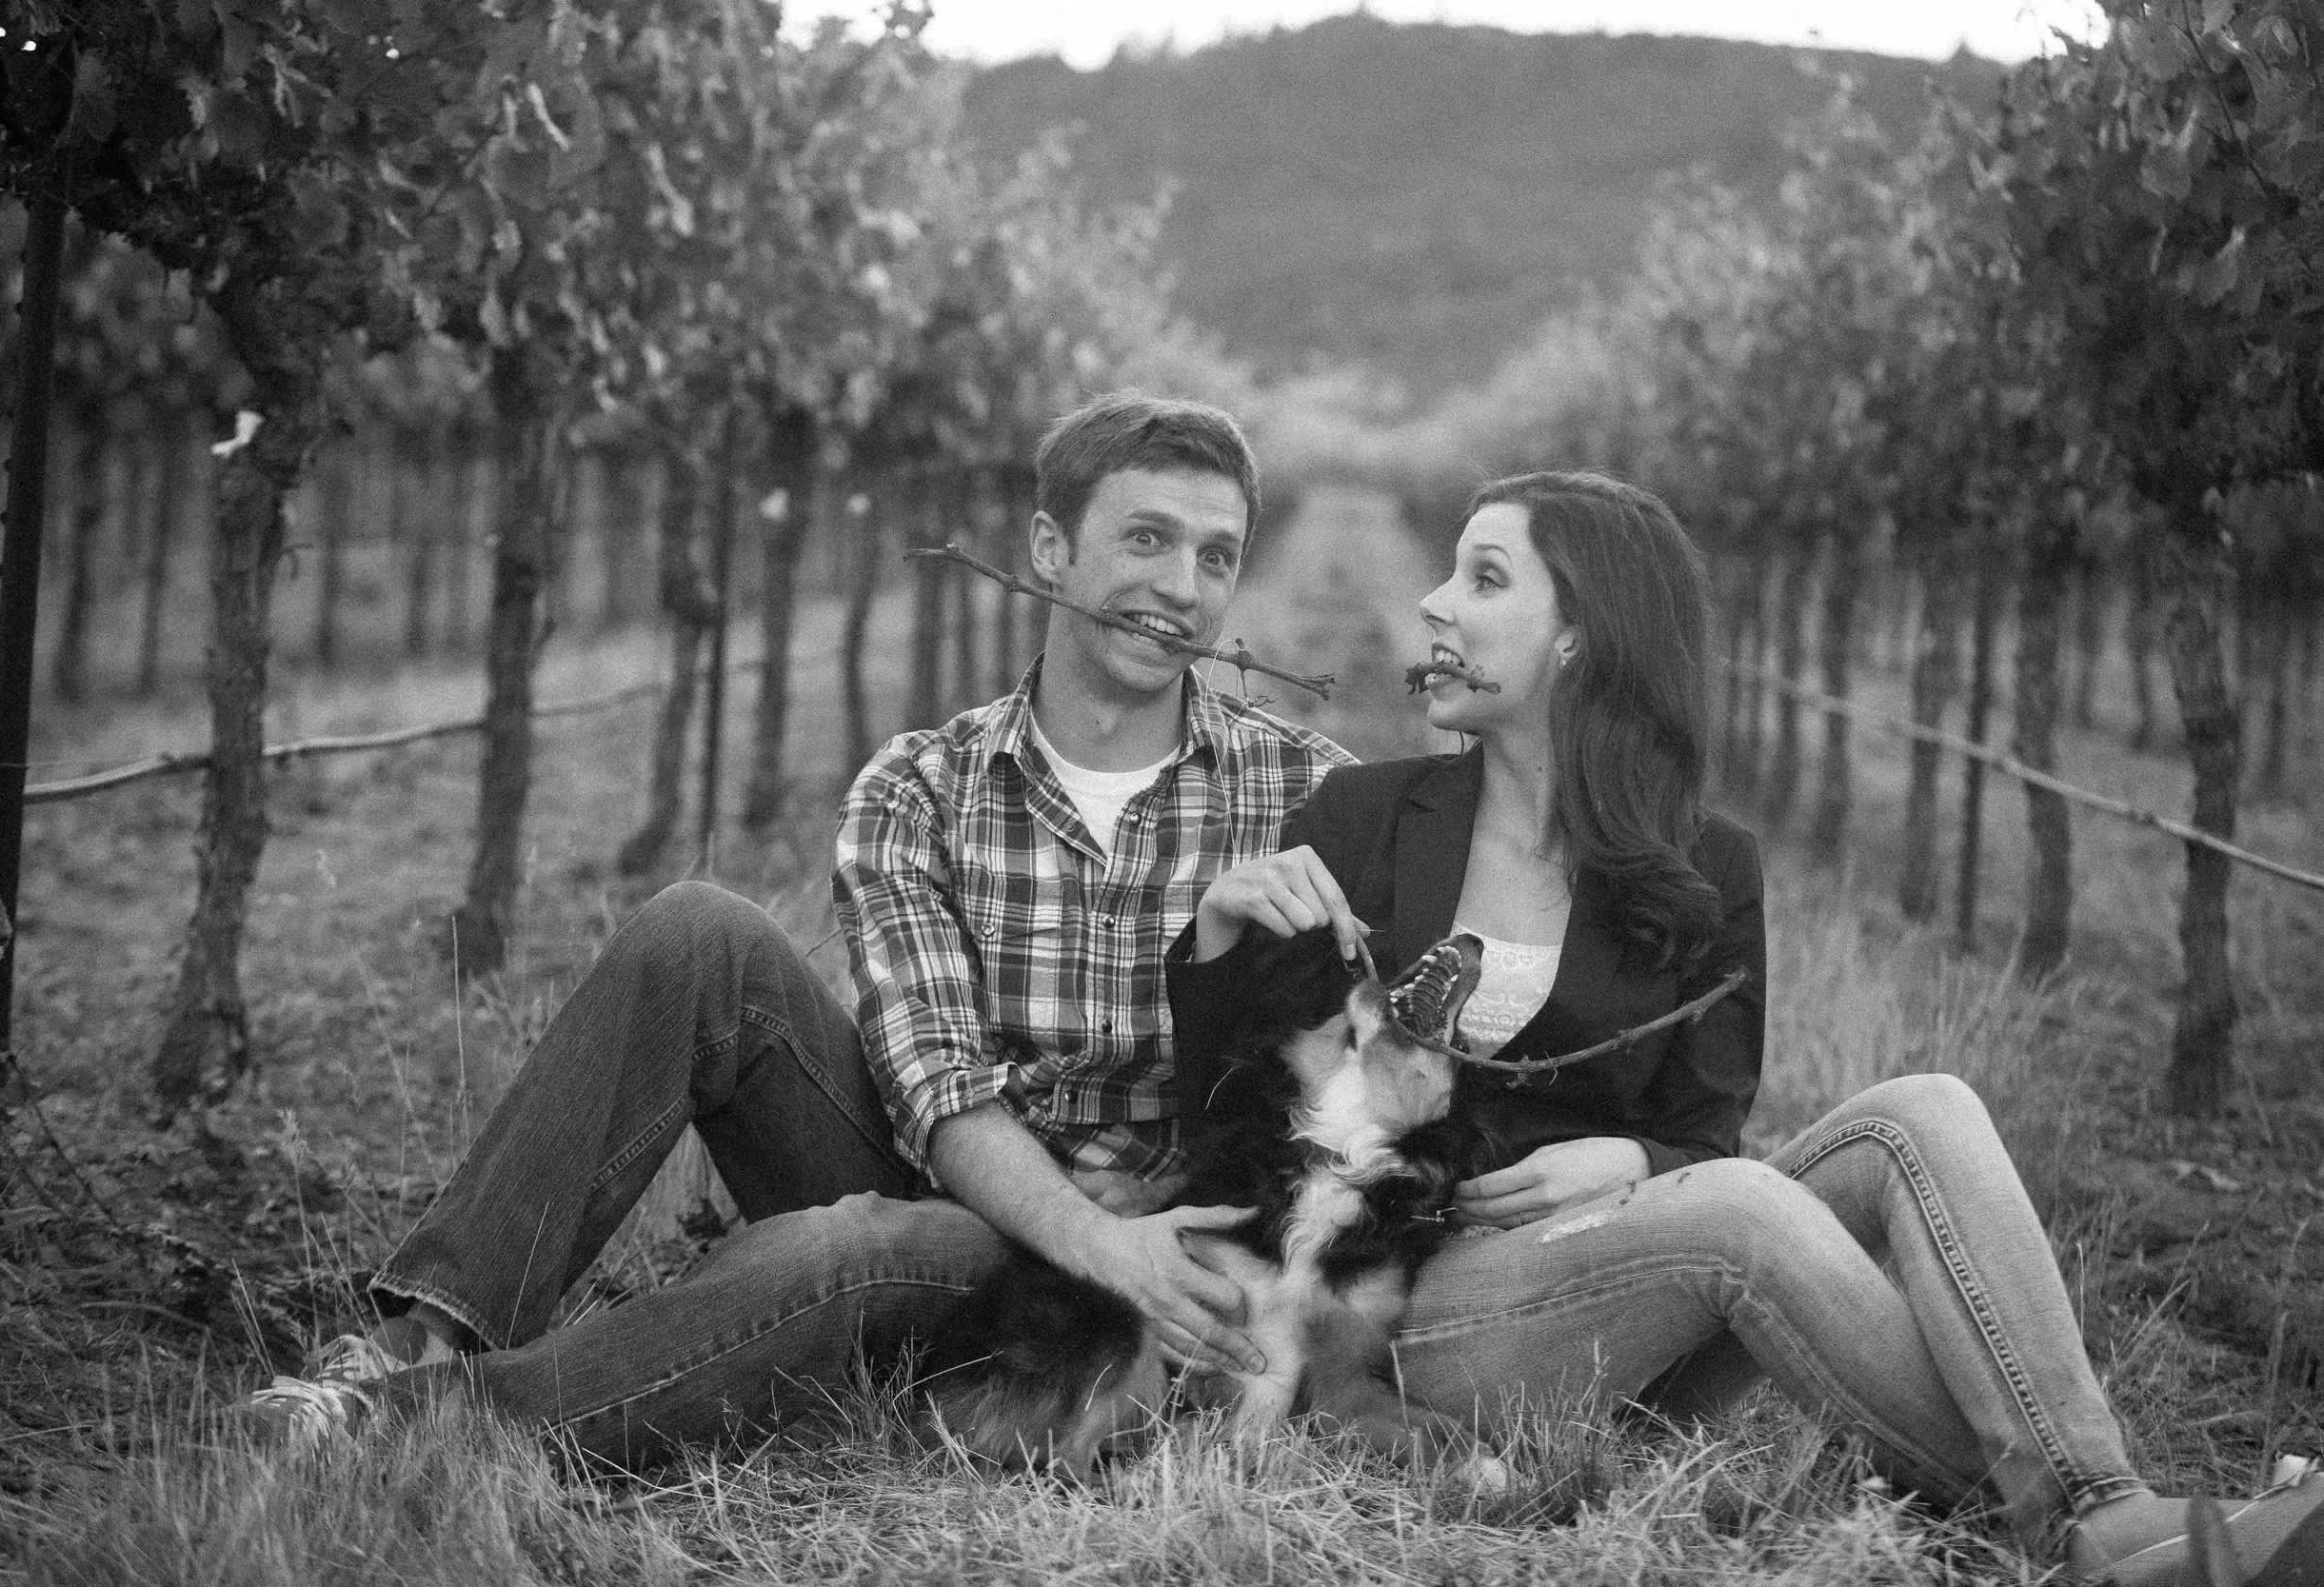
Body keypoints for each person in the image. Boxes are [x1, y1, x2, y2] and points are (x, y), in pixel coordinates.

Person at [1165, 470, 2322, 1587]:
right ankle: (2112, 1526)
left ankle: (2102, 1506)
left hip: (1625, 1306)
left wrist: (1635, 1158)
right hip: (1404, 1304)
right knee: (1739, 1207)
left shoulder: (1706, 869)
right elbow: (1228, 1119)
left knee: (1923, 1109)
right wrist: (1217, 940)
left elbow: (1702, 1132)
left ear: (1580, 636)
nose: (1431, 603)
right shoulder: (1361, 818)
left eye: (1482, 577)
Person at [248, 391, 1351, 1463]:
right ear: (1048, 547)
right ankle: (412, 1341)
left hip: (1107, 1269)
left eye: (1215, 555)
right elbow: (937, 1090)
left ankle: (413, 1427)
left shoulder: (1305, 791)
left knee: (845, 1244)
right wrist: (1099, 1236)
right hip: (970, 1189)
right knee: (697, 935)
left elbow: (1408, 1036)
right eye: (1147, 537)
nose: (1181, 586)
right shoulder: (919, 786)